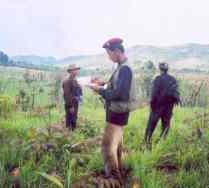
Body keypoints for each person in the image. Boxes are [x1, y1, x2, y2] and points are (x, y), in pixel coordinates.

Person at [89, 38, 136, 183]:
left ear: (116, 51)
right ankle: (119, 171)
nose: (108, 57)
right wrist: (103, 84)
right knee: (116, 145)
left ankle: (114, 179)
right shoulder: (121, 66)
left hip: (117, 113)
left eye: (109, 53)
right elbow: (117, 86)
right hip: (117, 112)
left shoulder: (125, 69)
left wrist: (99, 91)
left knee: (107, 147)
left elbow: (119, 94)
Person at [144, 62, 179, 145]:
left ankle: (147, 142)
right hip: (169, 107)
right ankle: (162, 142)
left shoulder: (158, 79)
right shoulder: (173, 79)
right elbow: (176, 93)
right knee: (166, 125)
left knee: (151, 125)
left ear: (160, 69)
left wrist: (152, 105)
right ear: (167, 69)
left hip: (157, 107)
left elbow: (154, 94)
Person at [62, 64, 82, 130]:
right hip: (71, 104)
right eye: (75, 70)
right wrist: (70, 106)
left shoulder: (74, 80)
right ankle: (68, 136)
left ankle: (73, 135)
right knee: (69, 120)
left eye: (76, 70)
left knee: (74, 120)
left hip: (75, 103)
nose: (76, 71)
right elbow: (67, 95)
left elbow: (77, 90)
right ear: (70, 71)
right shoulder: (67, 81)